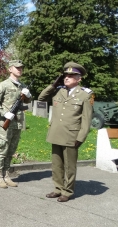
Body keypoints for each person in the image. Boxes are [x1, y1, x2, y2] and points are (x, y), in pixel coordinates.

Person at [38, 61, 92, 202]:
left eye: (71, 75)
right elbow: (41, 98)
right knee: (56, 164)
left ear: (78, 78)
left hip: (71, 135)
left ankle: (67, 192)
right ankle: (58, 188)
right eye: (65, 75)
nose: (66, 78)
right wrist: (53, 85)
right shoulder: (59, 90)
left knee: (69, 166)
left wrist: (81, 137)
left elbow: (86, 120)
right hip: (56, 133)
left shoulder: (85, 95)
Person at [0, 60, 32, 189]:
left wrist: (28, 96)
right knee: (3, 149)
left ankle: (6, 175)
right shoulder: (3, 85)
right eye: (17, 68)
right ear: (10, 69)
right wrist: (4, 113)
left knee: (11, 150)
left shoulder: (22, 86)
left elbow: (28, 101)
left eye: (21, 68)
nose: (20, 70)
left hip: (17, 123)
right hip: (5, 123)